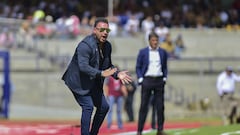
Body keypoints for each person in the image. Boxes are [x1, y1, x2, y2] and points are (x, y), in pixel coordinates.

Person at [61, 17, 132, 135]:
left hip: (93, 81)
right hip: (78, 82)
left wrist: (117, 73)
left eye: (107, 30)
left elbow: (107, 65)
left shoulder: (108, 46)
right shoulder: (85, 45)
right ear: (95, 30)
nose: (105, 33)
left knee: (104, 107)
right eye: (102, 29)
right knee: (88, 106)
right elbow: (83, 67)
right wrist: (101, 73)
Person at [136, 32, 168, 135]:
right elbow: (138, 66)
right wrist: (141, 78)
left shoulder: (163, 52)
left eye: (156, 40)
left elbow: (165, 66)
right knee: (144, 106)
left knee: (160, 107)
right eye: (153, 40)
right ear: (149, 41)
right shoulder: (143, 52)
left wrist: (164, 78)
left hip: (159, 81)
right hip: (147, 80)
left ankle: (160, 129)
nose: (155, 42)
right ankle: (139, 131)